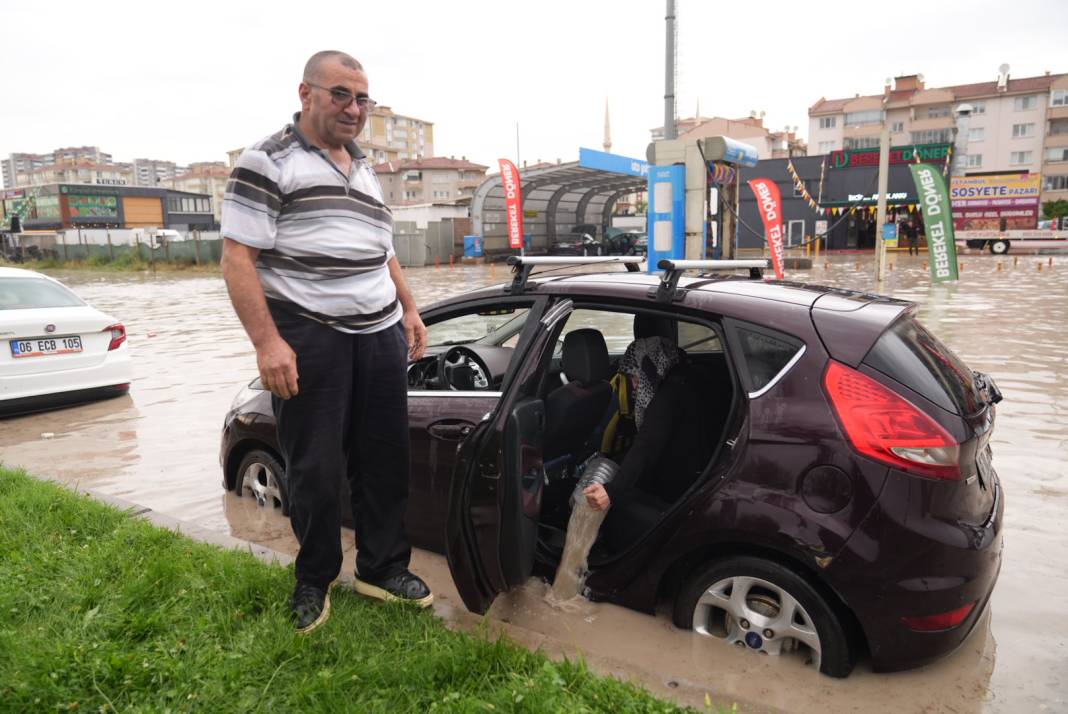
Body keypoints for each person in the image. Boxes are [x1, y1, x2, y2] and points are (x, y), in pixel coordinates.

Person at [220, 50, 432, 634]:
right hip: (311, 334)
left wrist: (410, 310)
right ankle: (314, 578)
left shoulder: (364, 169)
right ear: (306, 93)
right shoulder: (267, 160)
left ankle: (382, 568)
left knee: (385, 459)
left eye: (362, 98)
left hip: (381, 332)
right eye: (340, 94)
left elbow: (381, 250)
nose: (353, 108)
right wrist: (268, 344)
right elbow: (238, 258)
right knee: (314, 468)